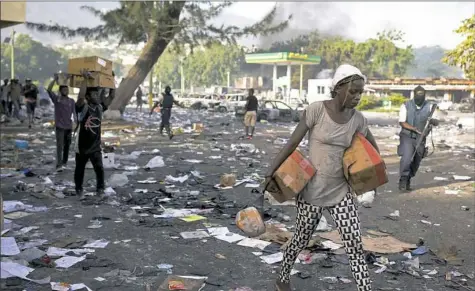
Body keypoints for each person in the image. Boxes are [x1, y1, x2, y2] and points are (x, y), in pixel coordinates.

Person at [265, 64, 380, 291]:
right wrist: (270, 172)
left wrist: (371, 178)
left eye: (360, 92)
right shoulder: (316, 110)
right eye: (353, 91)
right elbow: (292, 144)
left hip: (341, 193)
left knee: (354, 245)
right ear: (338, 88)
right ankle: (282, 278)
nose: (357, 97)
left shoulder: (358, 120)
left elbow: (372, 150)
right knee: (300, 239)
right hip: (312, 192)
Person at [74, 70, 114, 199]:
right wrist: (85, 80)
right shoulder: (83, 108)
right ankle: (79, 189)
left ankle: (100, 189)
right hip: (82, 146)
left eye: (98, 94)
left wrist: (111, 79)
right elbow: (80, 97)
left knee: (99, 168)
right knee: (79, 170)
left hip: (95, 146)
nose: (97, 96)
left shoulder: (100, 108)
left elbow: (111, 96)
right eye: (94, 94)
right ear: (88, 97)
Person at [397, 85, 439, 191]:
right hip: (407, 136)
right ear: (414, 95)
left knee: (416, 161)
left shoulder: (430, 106)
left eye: (422, 96)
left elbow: (436, 122)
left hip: (421, 138)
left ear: (425, 96)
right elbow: (402, 122)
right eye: (417, 96)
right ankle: (403, 179)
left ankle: (408, 178)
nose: (419, 99)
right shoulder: (406, 105)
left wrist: (433, 121)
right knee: (407, 158)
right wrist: (414, 129)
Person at [47, 73, 76, 171]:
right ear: (60, 91)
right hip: (60, 126)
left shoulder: (71, 101)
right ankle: (59, 164)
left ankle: (64, 162)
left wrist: (76, 124)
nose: (66, 91)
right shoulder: (57, 100)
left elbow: (74, 113)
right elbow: (49, 90)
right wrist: (54, 80)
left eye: (67, 89)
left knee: (67, 146)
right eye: (64, 89)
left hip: (68, 126)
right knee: (60, 146)